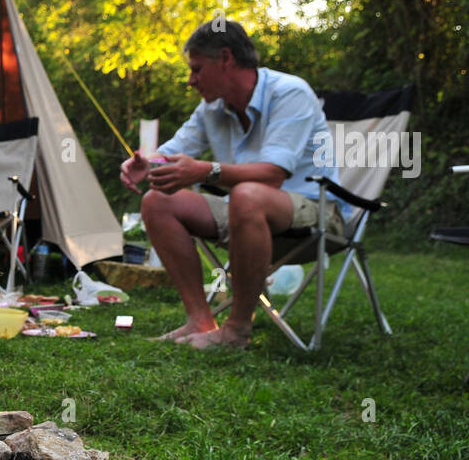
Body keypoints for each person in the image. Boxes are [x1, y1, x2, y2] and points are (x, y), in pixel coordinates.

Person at [120, 19, 347, 350]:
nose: (190, 80)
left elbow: (272, 174)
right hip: (245, 212)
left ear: (225, 59)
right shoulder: (211, 108)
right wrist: (146, 163)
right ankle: (199, 319)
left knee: (248, 195)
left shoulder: (289, 93)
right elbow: (175, 150)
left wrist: (205, 171)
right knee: (157, 201)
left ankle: (237, 329)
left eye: (196, 69)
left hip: (316, 211)